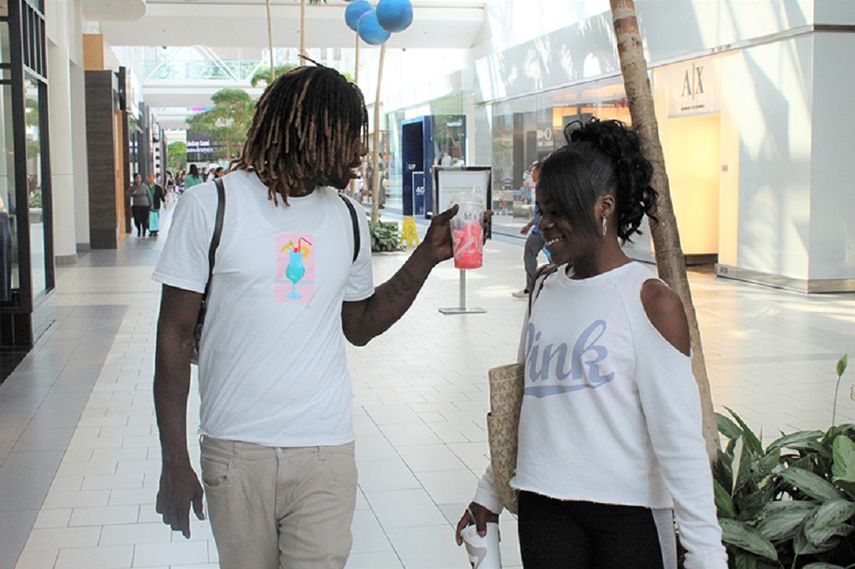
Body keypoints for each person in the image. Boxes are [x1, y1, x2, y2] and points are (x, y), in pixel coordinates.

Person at [152, 64, 465, 569]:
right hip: (236, 448)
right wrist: (174, 461)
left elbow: (359, 324)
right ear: (311, 132)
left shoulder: (345, 216)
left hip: (326, 449)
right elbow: (173, 338)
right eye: (349, 137)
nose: (359, 153)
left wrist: (425, 256)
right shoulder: (210, 206)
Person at [456, 119, 726, 569]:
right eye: (542, 210)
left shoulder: (651, 301)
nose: (544, 224)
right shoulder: (544, 288)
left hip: (628, 514)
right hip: (544, 505)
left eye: (558, 211)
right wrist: (490, 492)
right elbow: (529, 404)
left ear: (605, 205)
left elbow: (679, 439)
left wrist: (706, 554)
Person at [512, 162, 545, 299]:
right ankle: (533, 288)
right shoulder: (542, 187)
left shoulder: (543, 188)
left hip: (542, 231)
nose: (531, 174)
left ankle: (532, 288)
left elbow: (544, 210)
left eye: (533, 172)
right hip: (540, 229)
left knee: (529, 254)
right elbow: (539, 211)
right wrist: (529, 225)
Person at [128, 173, 151, 237]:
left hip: (145, 205)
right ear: (134, 179)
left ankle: (143, 231)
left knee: (144, 219)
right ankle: (139, 229)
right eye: (137, 178)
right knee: (137, 219)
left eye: (140, 177)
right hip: (136, 205)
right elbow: (127, 193)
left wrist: (151, 205)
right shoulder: (132, 187)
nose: (139, 179)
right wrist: (132, 193)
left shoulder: (145, 186)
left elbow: (149, 195)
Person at [147, 173, 166, 237]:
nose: (151, 179)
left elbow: (161, 196)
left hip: (156, 205)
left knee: (155, 218)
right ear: (148, 178)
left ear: (154, 178)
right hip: (148, 205)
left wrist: (164, 202)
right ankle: (151, 230)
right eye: (150, 178)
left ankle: (155, 231)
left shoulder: (158, 188)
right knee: (149, 219)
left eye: (152, 178)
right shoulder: (146, 187)